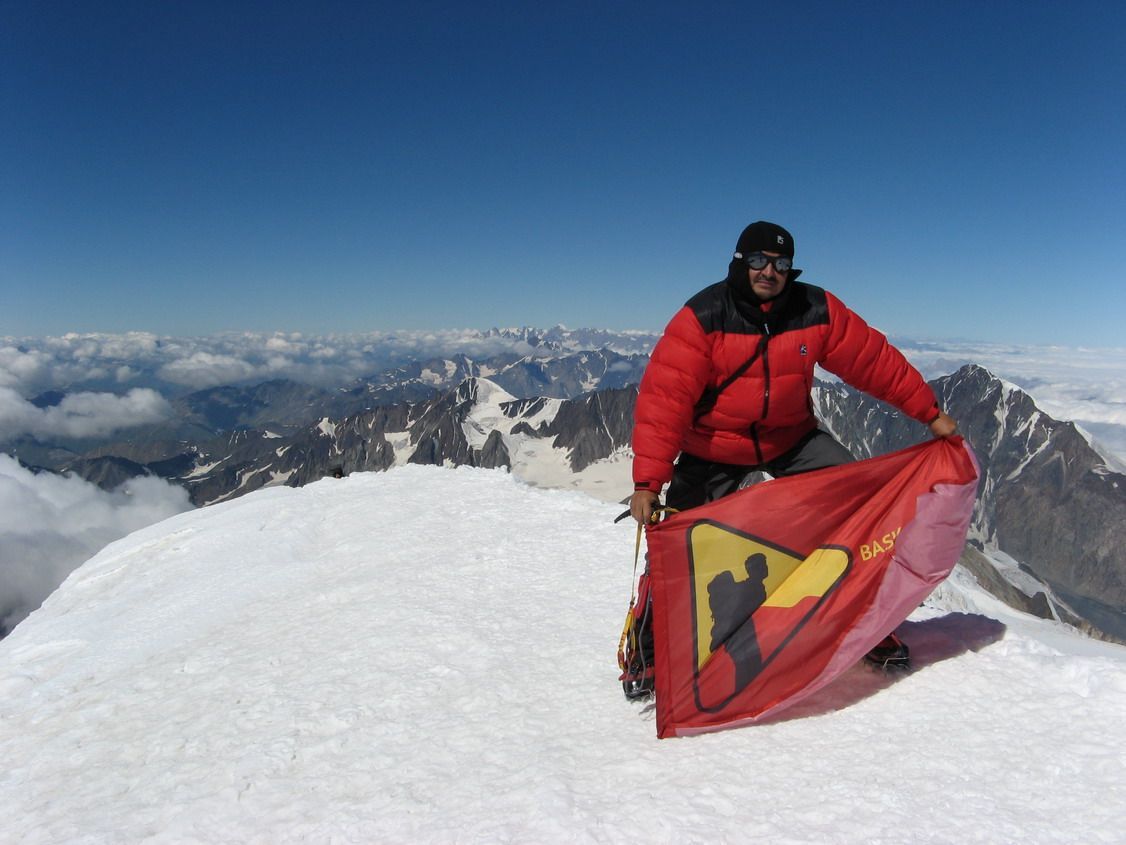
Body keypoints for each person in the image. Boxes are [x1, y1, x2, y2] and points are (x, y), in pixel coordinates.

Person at [628, 220, 958, 673]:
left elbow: (872, 361)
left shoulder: (814, 309)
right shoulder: (704, 317)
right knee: (678, 543)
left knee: (855, 504)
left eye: (781, 263)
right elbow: (665, 400)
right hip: (714, 446)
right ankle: (651, 647)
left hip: (790, 438)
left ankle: (860, 623)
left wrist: (930, 413)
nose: (770, 271)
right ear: (740, 263)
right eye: (759, 261)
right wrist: (648, 482)